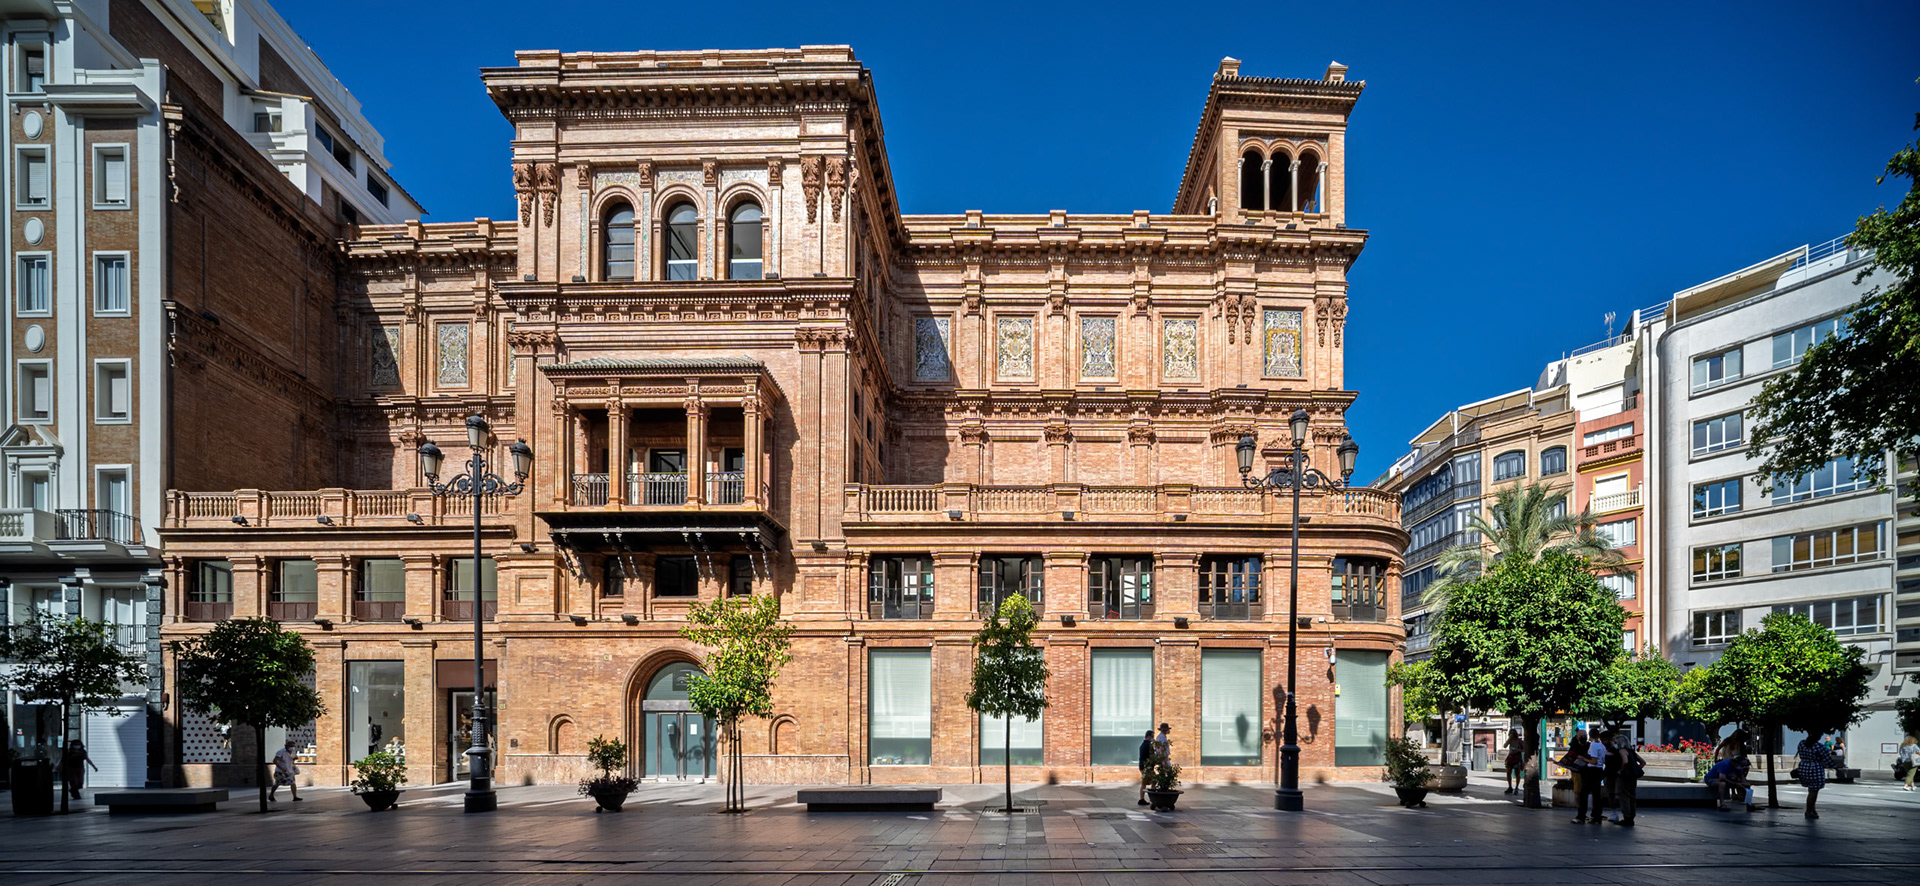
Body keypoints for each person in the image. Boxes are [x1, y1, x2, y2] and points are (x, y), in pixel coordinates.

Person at [1795, 733, 1834, 819]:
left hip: (1803, 767)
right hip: (1814, 769)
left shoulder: (1802, 744)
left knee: (1811, 790)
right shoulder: (1819, 746)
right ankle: (1809, 810)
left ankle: (1812, 809)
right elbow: (1827, 759)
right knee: (1814, 791)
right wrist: (1835, 766)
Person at [1609, 732, 1643, 827]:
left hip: (1624, 777)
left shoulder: (1622, 751)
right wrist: (1635, 769)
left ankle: (1626, 817)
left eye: (1616, 742)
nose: (1614, 744)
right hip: (1633, 777)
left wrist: (1621, 770)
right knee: (1632, 796)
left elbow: (1625, 762)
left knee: (1624, 797)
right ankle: (1631, 817)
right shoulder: (1631, 751)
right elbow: (1643, 762)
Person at [1137, 729, 1157, 806]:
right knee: (1153, 780)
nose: (1153, 738)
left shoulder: (1142, 744)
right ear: (1148, 736)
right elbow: (1151, 756)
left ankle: (1142, 799)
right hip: (1147, 767)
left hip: (1142, 766)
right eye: (1152, 736)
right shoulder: (1148, 745)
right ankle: (1152, 799)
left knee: (1144, 783)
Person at [1503, 728, 1525, 795]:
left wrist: (1519, 750)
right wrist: (1509, 739)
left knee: (1517, 773)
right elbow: (1505, 745)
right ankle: (1510, 786)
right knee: (1508, 772)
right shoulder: (1510, 741)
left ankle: (1516, 787)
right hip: (1511, 757)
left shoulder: (1519, 741)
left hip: (1517, 757)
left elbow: (1524, 749)